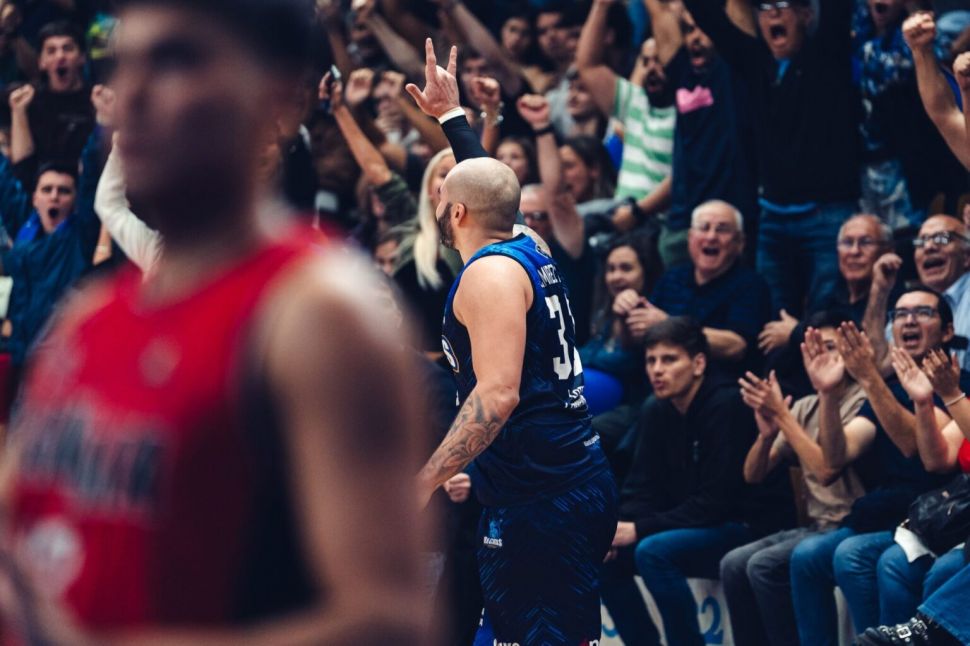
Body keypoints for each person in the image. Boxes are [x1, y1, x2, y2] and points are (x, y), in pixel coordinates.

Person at [0, 1, 430, 642]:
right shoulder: (89, 317)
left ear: (277, 97)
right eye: (123, 65)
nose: (132, 93)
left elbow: (388, 620)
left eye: (175, 60)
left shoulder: (322, 317)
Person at [409, 41, 616, 645]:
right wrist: (452, 118)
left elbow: (497, 396)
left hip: (542, 498)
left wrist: (424, 480)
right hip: (566, 480)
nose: (438, 203)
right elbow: (495, 191)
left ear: (457, 213)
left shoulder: (489, 276)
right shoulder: (530, 245)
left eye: (443, 197)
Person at [599, 316, 793, 646]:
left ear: (699, 363)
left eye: (669, 360)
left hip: (745, 526)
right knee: (604, 557)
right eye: (651, 361)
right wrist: (617, 530)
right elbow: (641, 487)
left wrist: (640, 528)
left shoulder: (727, 404)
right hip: (693, 523)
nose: (657, 370)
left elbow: (718, 503)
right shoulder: (657, 408)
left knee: (654, 552)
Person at [790, 290, 965, 645]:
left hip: (938, 515)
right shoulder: (891, 388)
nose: (909, 320)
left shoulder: (958, 383)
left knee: (861, 557)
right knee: (804, 557)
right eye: (900, 314)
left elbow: (920, 451)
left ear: (948, 331)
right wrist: (828, 394)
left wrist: (873, 380)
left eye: (922, 312)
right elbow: (834, 460)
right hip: (892, 515)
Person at [684, 0, 860, 317]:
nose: (774, 12)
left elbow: (837, 8)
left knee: (825, 317)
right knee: (771, 321)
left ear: (806, 15)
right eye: (765, 5)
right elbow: (708, 16)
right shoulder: (755, 62)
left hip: (828, 216)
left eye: (784, 3)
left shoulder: (827, 54)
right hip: (773, 220)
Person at [721, 312, 868, 646]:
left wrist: (783, 416)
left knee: (763, 566)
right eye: (814, 349)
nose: (823, 356)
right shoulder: (803, 407)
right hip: (816, 525)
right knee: (733, 563)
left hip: (852, 523)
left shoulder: (864, 401)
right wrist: (766, 436)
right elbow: (753, 475)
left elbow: (826, 470)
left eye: (831, 347)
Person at [577, 1, 676, 236]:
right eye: (646, 61)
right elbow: (588, 65)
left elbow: (684, 174)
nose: (651, 68)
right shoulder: (636, 101)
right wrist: (601, 6)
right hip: (621, 216)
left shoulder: (690, 111)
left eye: (659, 60)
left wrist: (639, 211)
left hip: (658, 222)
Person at [645, 199, 772, 377]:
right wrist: (625, 309)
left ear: (740, 242)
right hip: (662, 380)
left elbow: (736, 346)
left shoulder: (752, 285)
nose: (711, 237)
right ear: (690, 238)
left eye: (722, 229)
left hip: (721, 384)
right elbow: (641, 332)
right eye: (704, 228)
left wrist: (668, 324)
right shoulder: (671, 278)